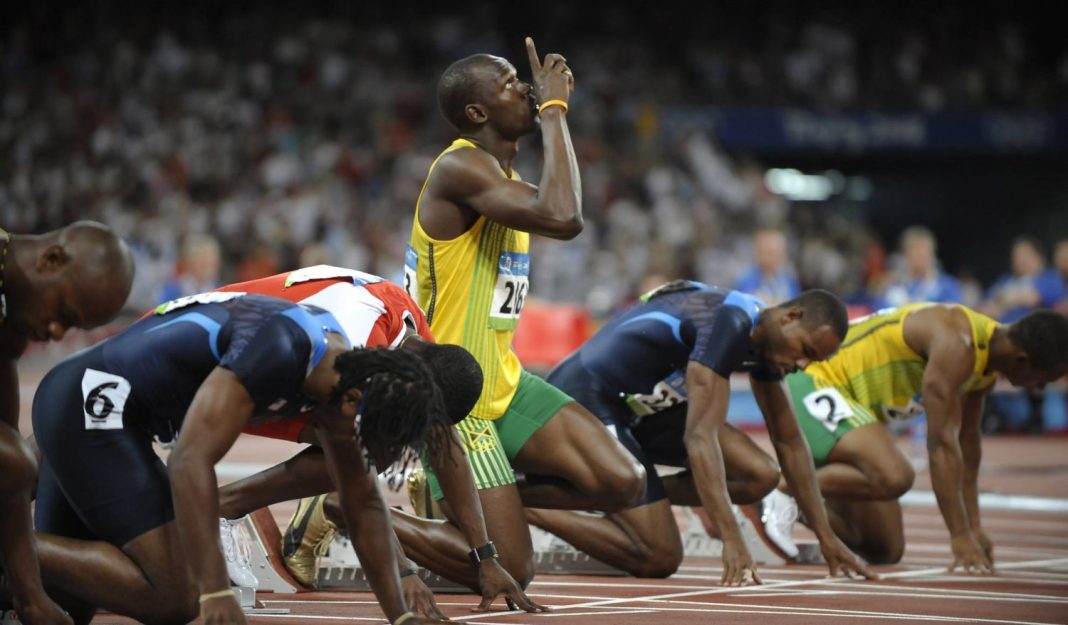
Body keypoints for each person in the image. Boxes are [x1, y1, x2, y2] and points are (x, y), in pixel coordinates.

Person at [31, 291, 453, 625]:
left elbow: (363, 505)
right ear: (354, 401)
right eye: (366, 441)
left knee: (63, 606)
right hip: (91, 402)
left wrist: (400, 615)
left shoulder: (340, 377)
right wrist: (215, 590)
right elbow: (189, 460)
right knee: (175, 596)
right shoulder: (283, 348)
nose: (357, 454)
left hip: (111, 413)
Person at [401, 37, 647, 588]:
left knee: (621, 481)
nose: (529, 89)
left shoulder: (504, 183)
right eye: (512, 82)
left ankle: (467, 497)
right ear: (477, 112)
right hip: (454, 393)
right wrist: (556, 111)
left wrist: (553, 114)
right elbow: (564, 216)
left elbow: (562, 206)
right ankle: (348, 508)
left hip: (503, 381)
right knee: (511, 569)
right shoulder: (460, 169)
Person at [210, 265, 540, 616]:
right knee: (369, 446)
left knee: (381, 440)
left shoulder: (415, 337)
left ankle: (224, 506)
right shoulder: (349, 344)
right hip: (214, 355)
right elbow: (356, 475)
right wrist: (402, 573)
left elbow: (445, 444)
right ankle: (220, 507)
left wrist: (485, 555)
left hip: (264, 350)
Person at [529, 281, 874, 584]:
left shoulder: (768, 349)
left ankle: (627, 499)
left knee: (760, 474)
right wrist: (731, 537)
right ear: (791, 317)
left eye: (813, 362)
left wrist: (828, 537)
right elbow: (700, 438)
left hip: (639, 413)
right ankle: (522, 502)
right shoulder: (729, 320)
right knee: (660, 556)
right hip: (587, 400)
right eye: (807, 352)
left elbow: (789, 442)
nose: (802, 365)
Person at [765, 304, 1068, 572]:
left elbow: (968, 446)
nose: (1039, 389)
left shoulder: (984, 368)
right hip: (814, 380)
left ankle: (772, 506)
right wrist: (959, 535)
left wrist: (974, 527)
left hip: (849, 408)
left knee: (884, 548)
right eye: (1044, 380)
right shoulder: (956, 343)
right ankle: (773, 488)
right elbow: (941, 446)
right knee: (895, 475)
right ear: (1023, 360)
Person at [0, 221, 134, 625]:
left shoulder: (12, 315)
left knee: (18, 461)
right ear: (51, 259)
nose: (56, 333)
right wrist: (30, 598)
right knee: (18, 460)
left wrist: (33, 592)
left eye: (72, 327)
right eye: (63, 314)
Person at [875, 226, 962, 309]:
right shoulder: (892, 287)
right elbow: (880, 316)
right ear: (906, 255)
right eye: (915, 253)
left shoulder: (946, 286)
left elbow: (954, 318)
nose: (919, 259)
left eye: (923, 254)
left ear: (932, 254)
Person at [983, 237, 1063, 323]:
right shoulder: (1005, 280)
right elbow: (985, 306)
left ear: (1039, 256)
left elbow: (1033, 298)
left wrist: (1002, 301)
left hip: (1032, 330)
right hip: (1001, 329)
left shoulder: (1050, 277)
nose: (1020, 260)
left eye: (1024, 254)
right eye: (1016, 256)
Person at [733, 229, 801, 306]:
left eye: (777, 252)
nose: (773, 257)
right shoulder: (746, 279)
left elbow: (795, 305)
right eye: (768, 252)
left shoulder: (788, 280)